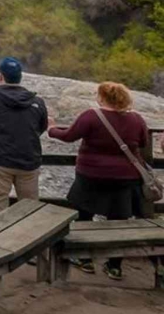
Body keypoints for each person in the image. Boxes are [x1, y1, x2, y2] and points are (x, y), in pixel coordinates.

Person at [48, 82, 152, 280]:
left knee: (84, 215)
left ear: (103, 97)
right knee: (119, 220)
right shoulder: (137, 119)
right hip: (126, 178)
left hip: (91, 175)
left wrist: (51, 128)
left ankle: (84, 258)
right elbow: (143, 142)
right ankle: (114, 266)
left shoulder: (91, 116)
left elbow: (69, 136)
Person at [0, 57, 48, 214]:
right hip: (29, 160)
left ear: (1, 76)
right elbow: (41, 127)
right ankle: (29, 230)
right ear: (20, 77)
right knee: (30, 207)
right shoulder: (37, 102)